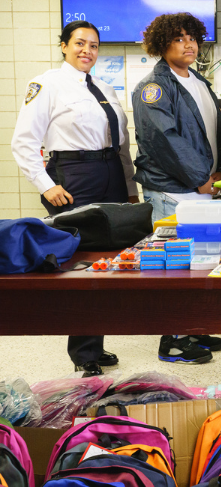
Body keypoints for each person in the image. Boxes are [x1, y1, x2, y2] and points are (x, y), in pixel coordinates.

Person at [11, 21, 137, 377]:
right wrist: (44, 183)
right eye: (80, 43)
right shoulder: (47, 83)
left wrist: (128, 187)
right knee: (81, 264)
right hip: (73, 176)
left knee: (108, 261)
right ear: (64, 46)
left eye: (94, 45)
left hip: (110, 172)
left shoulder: (105, 88)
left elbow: (121, 146)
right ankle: (84, 354)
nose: (87, 50)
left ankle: (93, 342)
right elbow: (23, 140)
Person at [133, 13, 221, 364]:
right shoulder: (154, 87)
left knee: (196, 264)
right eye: (179, 38)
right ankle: (171, 340)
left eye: (192, 36)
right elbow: (166, 139)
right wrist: (200, 178)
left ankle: (192, 328)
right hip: (172, 191)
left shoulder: (198, 81)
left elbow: (218, 131)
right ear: (162, 44)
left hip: (200, 188)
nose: (189, 43)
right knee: (172, 268)